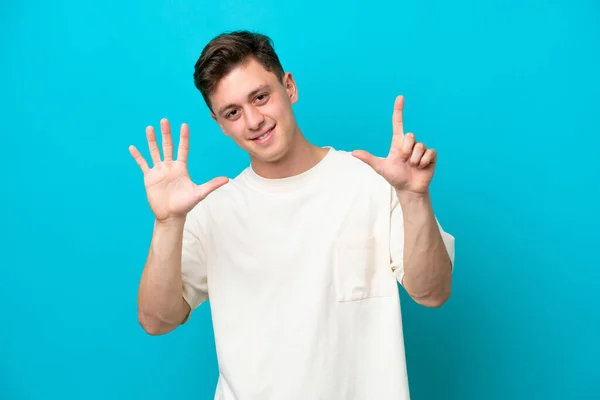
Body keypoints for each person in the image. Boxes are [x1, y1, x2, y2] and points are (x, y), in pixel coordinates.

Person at [129, 30, 455, 400]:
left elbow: (433, 293)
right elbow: (157, 321)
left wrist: (414, 197)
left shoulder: (372, 183)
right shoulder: (211, 212)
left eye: (261, 97)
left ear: (289, 87)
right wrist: (168, 223)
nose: (253, 120)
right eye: (232, 112)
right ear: (219, 123)